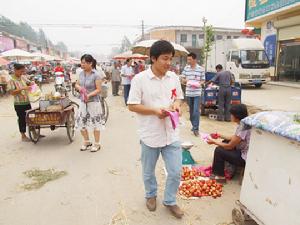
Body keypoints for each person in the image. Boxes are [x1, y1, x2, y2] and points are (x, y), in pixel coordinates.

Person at [128, 40, 184, 219]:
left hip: (171, 133)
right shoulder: (140, 79)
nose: (169, 63)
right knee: (148, 171)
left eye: (171, 59)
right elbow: (132, 105)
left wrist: (176, 106)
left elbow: (178, 98)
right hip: (150, 134)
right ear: (153, 58)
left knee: (175, 171)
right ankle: (151, 195)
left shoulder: (173, 77)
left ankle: (169, 200)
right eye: (165, 58)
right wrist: (154, 111)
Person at [206, 104, 251, 183]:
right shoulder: (245, 123)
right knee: (224, 142)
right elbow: (235, 138)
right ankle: (227, 169)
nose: (231, 116)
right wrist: (220, 136)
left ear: (236, 116)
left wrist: (214, 142)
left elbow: (230, 146)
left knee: (219, 150)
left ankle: (220, 176)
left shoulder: (243, 127)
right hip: (246, 151)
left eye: (232, 114)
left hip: (243, 158)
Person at [75, 54, 104, 152]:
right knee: (81, 122)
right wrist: (79, 88)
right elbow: (77, 84)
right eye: (81, 62)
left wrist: (89, 95)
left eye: (84, 63)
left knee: (95, 123)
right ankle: (86, 141)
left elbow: (99, 89)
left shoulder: (96, 75)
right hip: (83, 102)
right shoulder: (81, 74)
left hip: (93, 103)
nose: (82, 65)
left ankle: (97, 144)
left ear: (90, 63)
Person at [7, 64, 32, 142]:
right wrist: (23, 88)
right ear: (15, 70)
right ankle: (23, 136)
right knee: (22, 119)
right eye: (21, 71)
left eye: (23, 71)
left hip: (27, 102)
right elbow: (12, 92)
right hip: (19, 104)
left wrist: (32, 83)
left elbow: (29, 82)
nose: (22, 73)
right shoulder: (11, 80)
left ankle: (34, 132)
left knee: (31, 117)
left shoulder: (22, 77)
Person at [181, 52, 205, 136]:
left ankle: (196, 129)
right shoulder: (186, 68)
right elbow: (183, 79)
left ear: (195, 59)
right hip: (188, 93)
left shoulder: (201, 69)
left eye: (190, 59)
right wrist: (188, 81)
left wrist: (198, 84)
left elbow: (203, 80)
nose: (188, 61)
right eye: (187, 59)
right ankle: (194, 124)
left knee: (196, 111)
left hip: (197, 93)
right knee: (191, 112)